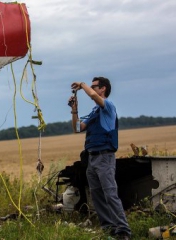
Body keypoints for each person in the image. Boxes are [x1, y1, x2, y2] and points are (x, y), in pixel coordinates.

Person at [69, 77, 131, 240]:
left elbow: (93, 96)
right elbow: (77, 128)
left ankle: (123, 230)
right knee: (97, 196)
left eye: (94, 86)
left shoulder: (108, 106)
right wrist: (74, 109)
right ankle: (108, 228)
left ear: (103, 89)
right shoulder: (95, 111)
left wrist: (82, 85)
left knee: (110, 194)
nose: (91, 89)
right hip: (92, 158)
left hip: (105, 156)